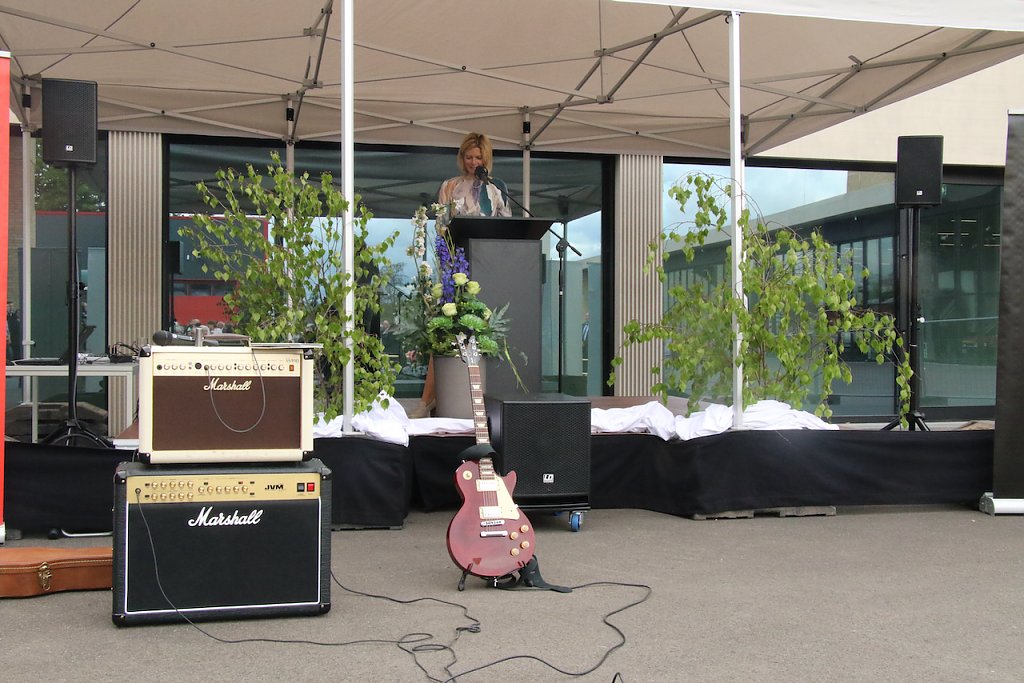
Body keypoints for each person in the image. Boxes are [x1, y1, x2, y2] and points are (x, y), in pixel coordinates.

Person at [437, 132, 512, 218]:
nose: (473, 162)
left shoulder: (496, 186)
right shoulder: (449, 186)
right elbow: (442, 221)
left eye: (478, 158)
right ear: (462, 158)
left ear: (486, 158)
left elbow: (506, 220)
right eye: (469, 158)